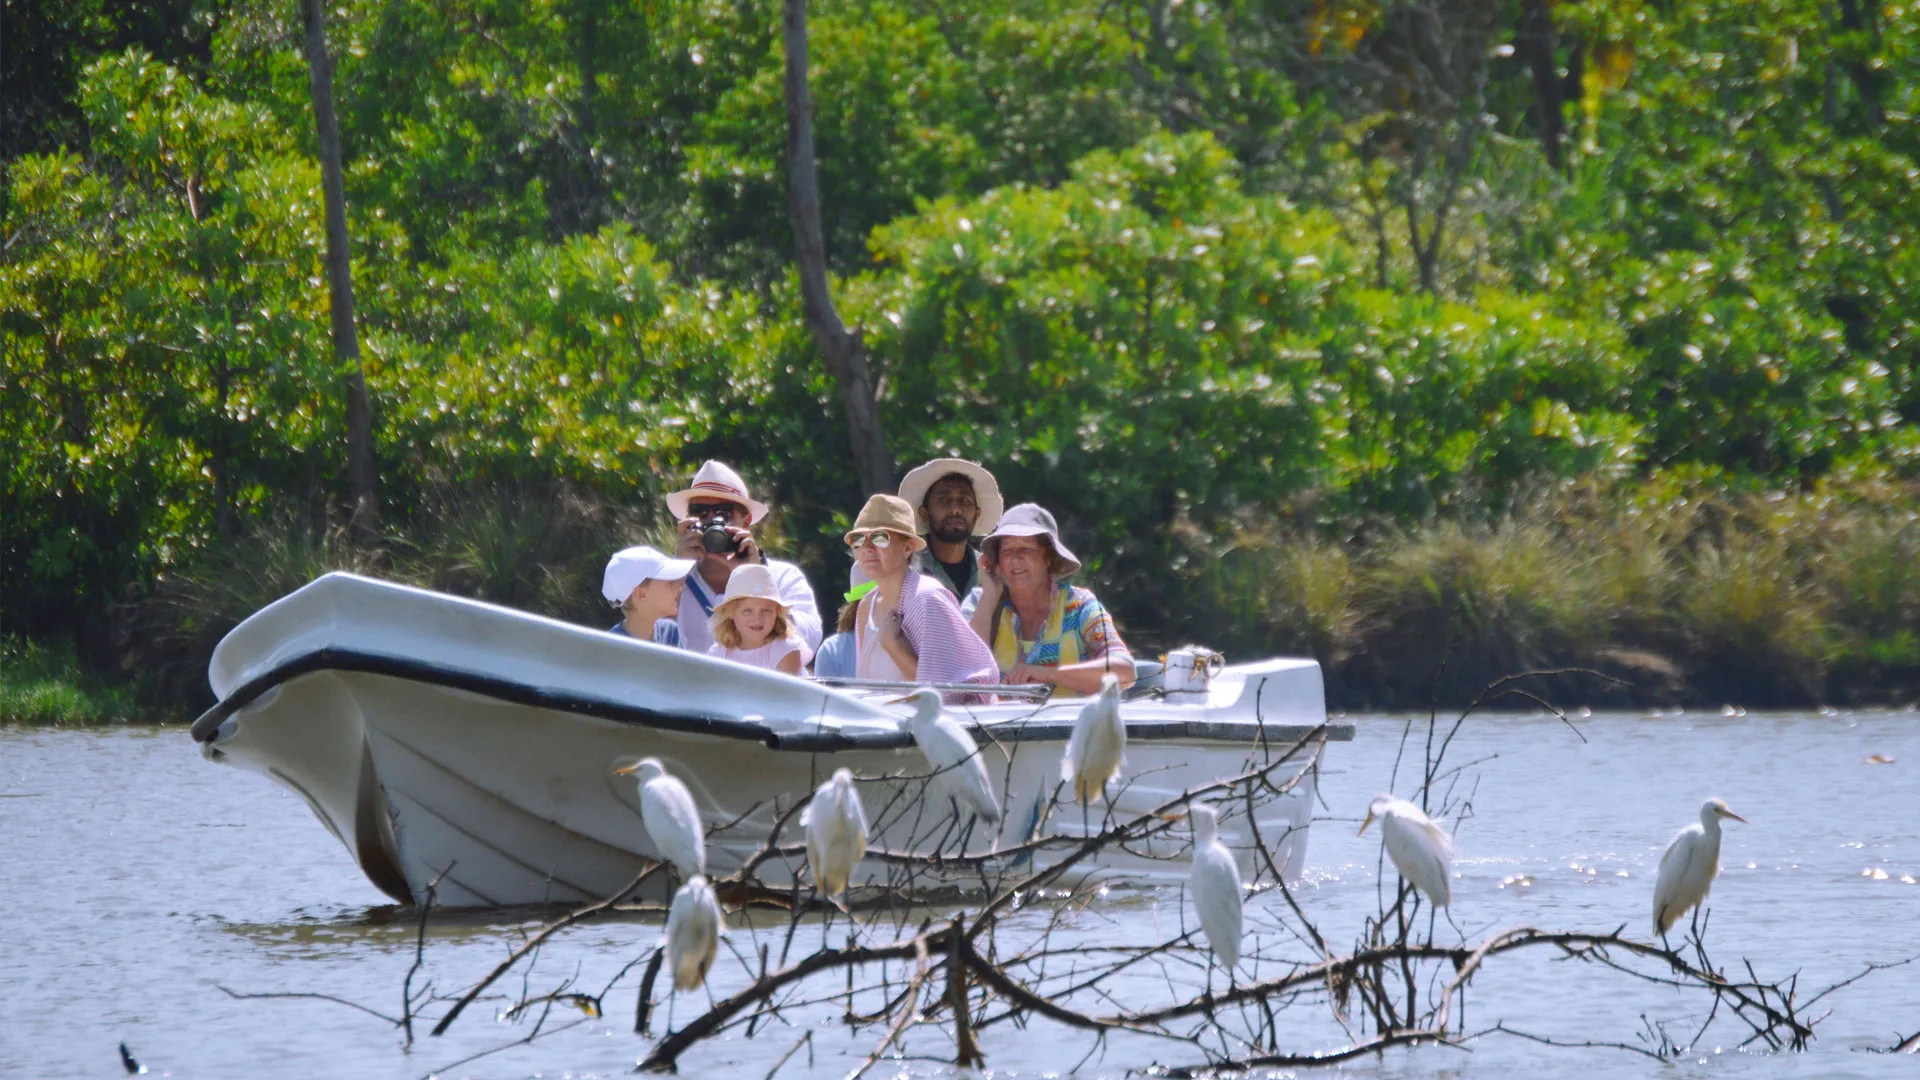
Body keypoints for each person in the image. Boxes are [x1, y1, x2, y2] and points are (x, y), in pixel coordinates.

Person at [964, 503, 1135, 695]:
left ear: (1049, 557)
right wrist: (990, 595)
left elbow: (1125, 671)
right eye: (1007, 551)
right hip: (995, 725)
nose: (1016, 559)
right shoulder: (979, 603)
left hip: (1070, 724)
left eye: (1026, 549)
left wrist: (1049, 674)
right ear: (997, 563)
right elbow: (963, 672)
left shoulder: (1079, 606)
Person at [844, 494, 999, 696]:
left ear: (907, 547)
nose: (867, 548)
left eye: (879, 537)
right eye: (858, 540)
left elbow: (947, 694)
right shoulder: (866, 605)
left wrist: (894, 647)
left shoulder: (927, 599)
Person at [666, 460, 822, 655]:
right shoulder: (667, 581)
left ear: (746, 521)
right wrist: (675, 573)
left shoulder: (782, 577)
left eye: (723, 514)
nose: (711, 522)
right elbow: (646, 642)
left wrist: (755, 580)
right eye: (700, 512)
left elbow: (810, 641)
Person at [896, 458, 1005, 601]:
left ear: (977, 514)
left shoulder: (992, 572)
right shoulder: (904, 570)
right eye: (943, 500)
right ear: (924, 513)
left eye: (964, 501)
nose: (955, 509)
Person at [707, 564, 808, 675]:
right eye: (747, 611)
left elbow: (784, 691)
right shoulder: (719, 653)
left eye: (766, 611)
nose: (757, 618)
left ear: (777, 613)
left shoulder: (785, 649)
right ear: (731, 613)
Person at [602, 545, 697, 645]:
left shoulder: (670, 633)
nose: (679, 588)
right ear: (641, 594)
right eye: (670, 584)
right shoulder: (611, 647)